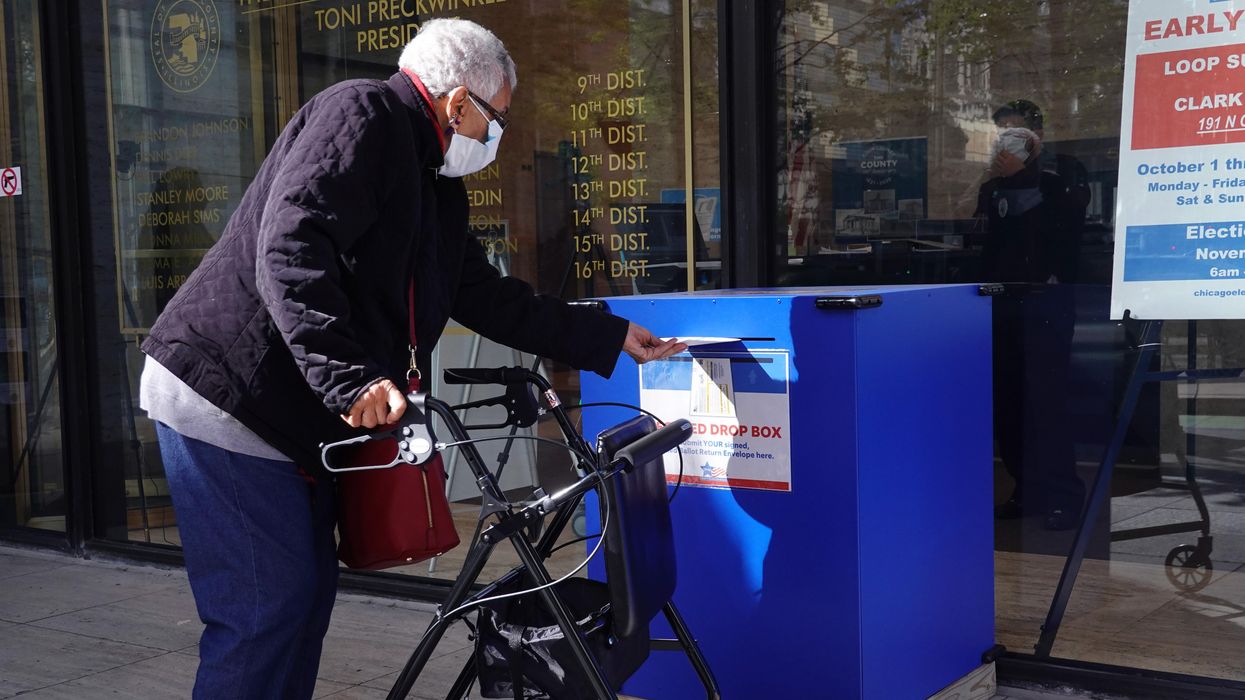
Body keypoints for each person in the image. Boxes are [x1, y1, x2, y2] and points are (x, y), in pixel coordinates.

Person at [138, 19, 684, 698]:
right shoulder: (361, 114)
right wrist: (350, 379)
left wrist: (605, 335)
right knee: (264, 608)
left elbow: (484, 295)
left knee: (302, 599)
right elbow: (292, 249)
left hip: (288, 407)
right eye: (497, 118)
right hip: (230, 393)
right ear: (457, 103)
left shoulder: (434, 182)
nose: (496, 136)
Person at [978, 99, 1090, 531]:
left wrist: (1024, 176)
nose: (1007, 142)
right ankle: (1027, 488)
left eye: (1016, 133)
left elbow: (1062, 232)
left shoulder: (1062, 176)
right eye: (1001, 134)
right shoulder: (994, 185)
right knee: (1008, 402)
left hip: (1047, 301)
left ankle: (1063, 495)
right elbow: (988, 239)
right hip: (1002, 302)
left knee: (1046, 401)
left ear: (1036, 137)